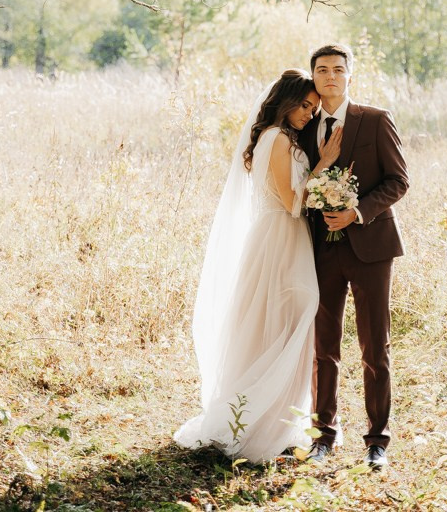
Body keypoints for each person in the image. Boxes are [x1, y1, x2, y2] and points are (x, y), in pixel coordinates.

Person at [174, 69, 343, 464]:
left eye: (313, 108)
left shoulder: (279, 138)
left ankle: (276, 419)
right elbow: (291, 202)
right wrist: (326, 165)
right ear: (284, 101)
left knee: (279, 324)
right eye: (303, 105)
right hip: (280, 236)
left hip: (283, 237)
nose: (308, 113)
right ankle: (260, 422)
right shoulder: (278, 138)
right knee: (292, 318)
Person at [301, 44, 409, 472]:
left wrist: (357, 211)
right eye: (323, 70)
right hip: (320, 252)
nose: (331, 76)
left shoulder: (376, 120)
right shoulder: (304, 129)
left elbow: (399, 181)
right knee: (323, 348)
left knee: (373, 346)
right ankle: (323, 437)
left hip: (371, 250)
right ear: (313, 77)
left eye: (338, 70)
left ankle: (377, 441)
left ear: (350, 76)